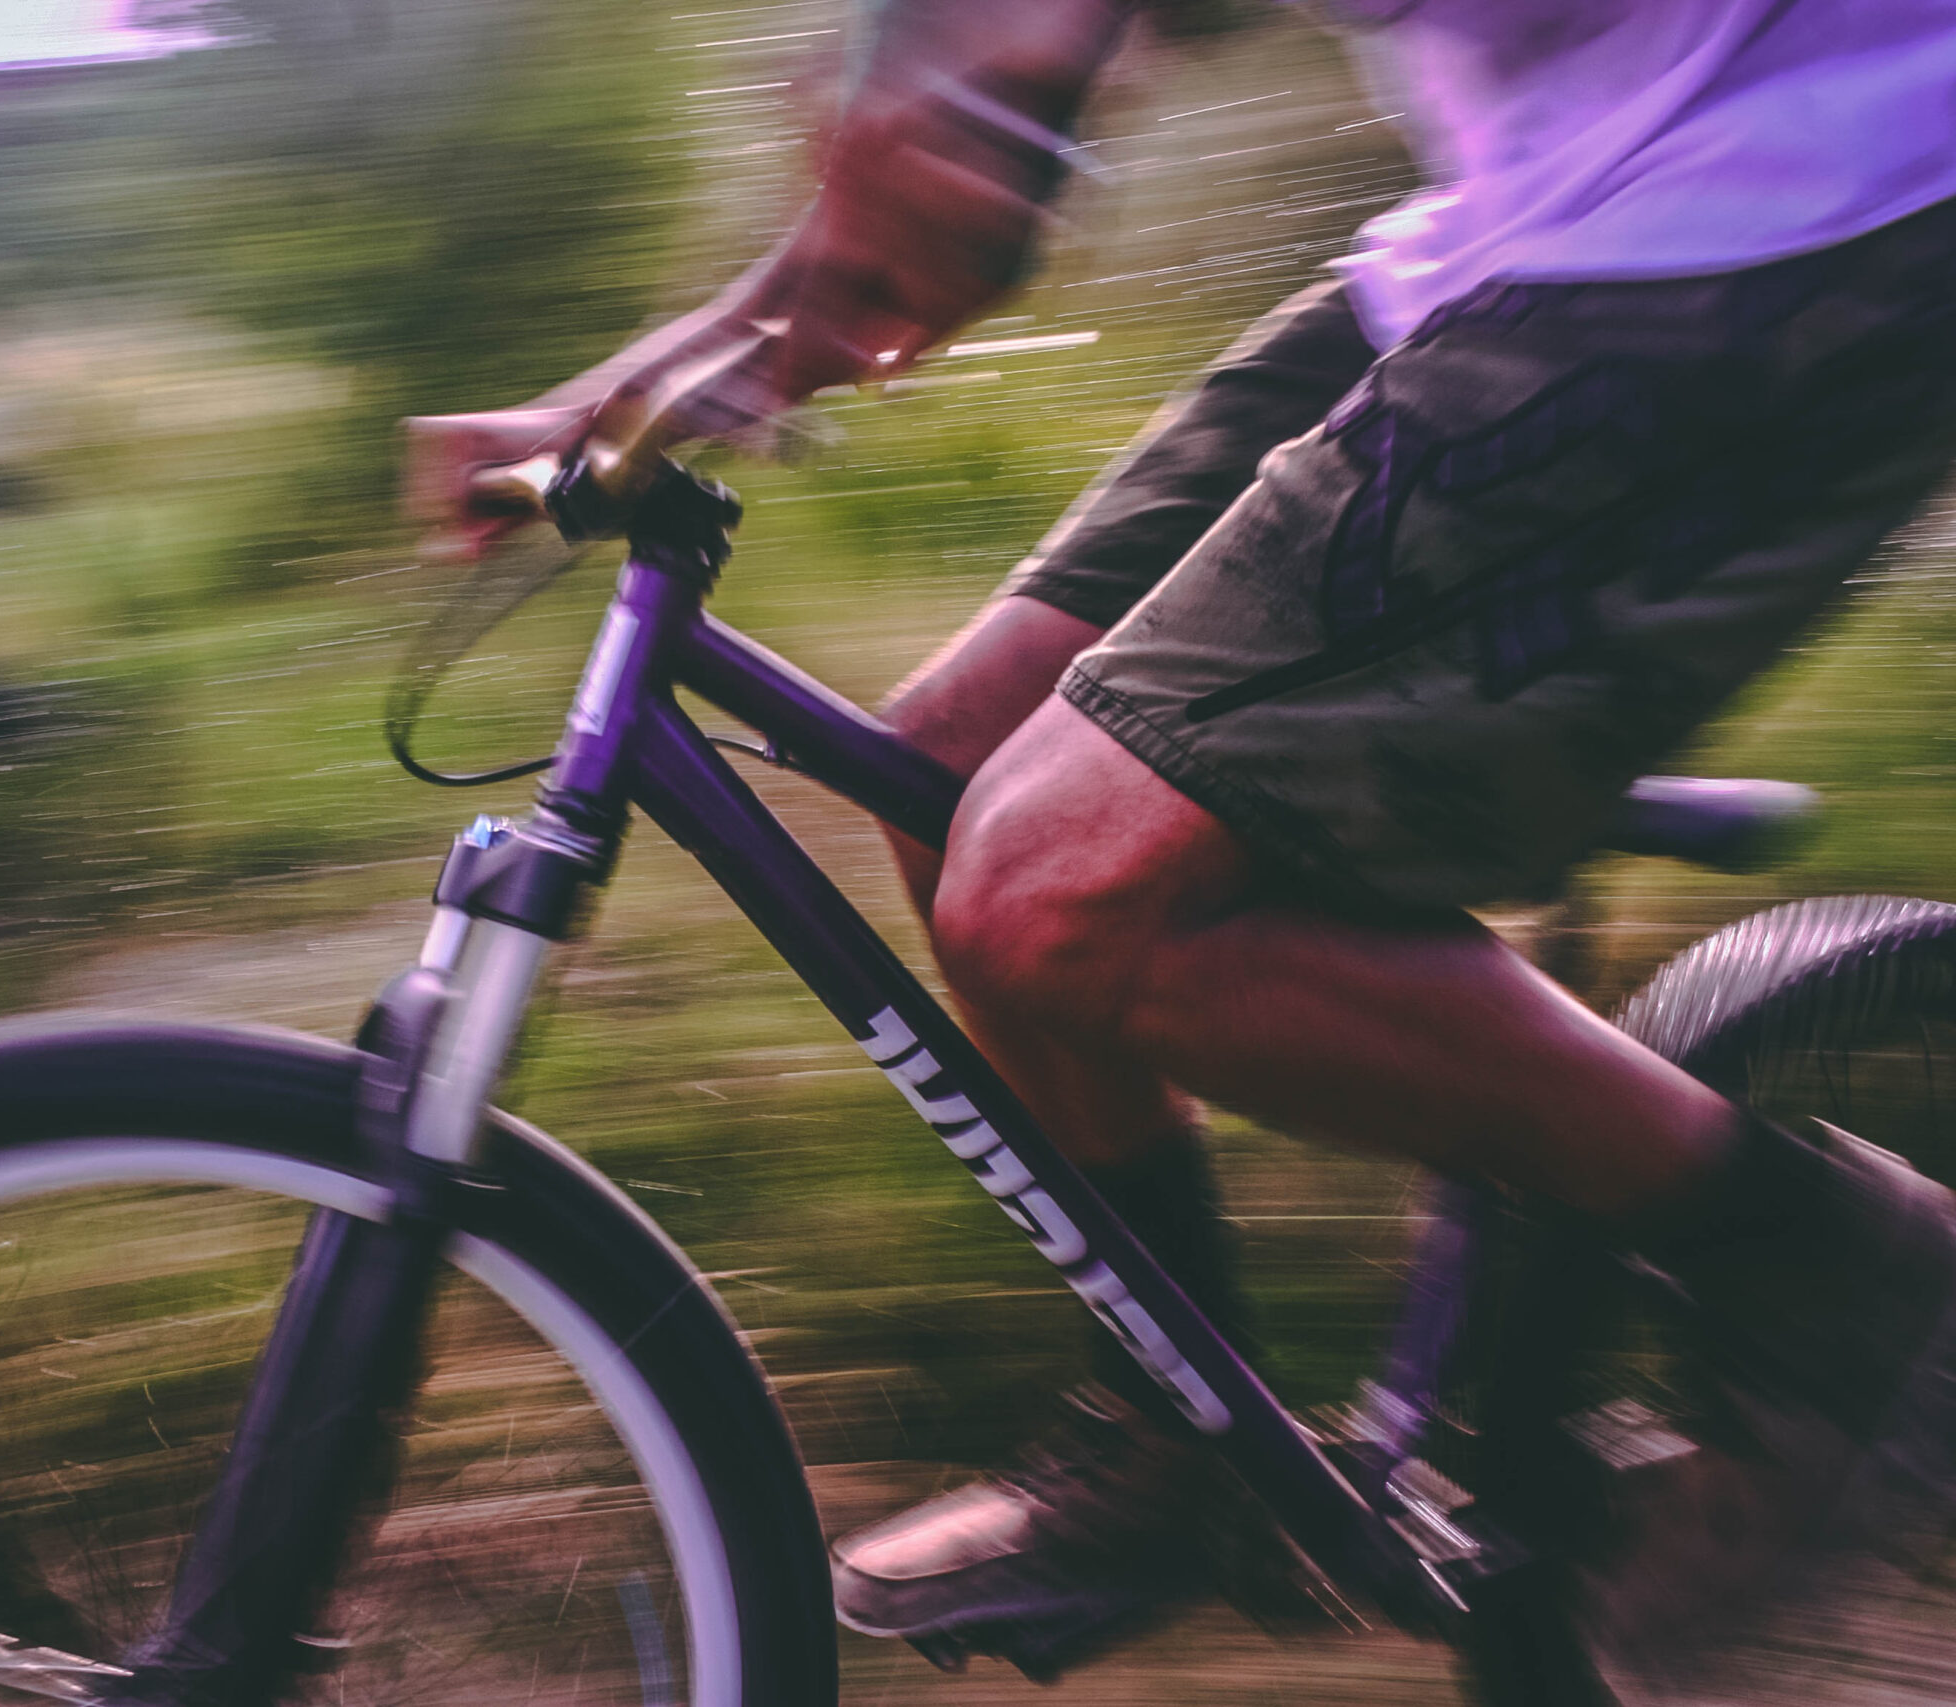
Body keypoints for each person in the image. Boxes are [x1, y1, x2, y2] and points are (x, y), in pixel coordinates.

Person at [409, 0, 1956, 1678]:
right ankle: (1188, 1434)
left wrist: (971, 84)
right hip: (1543, 215)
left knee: (1058, 892)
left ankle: (1864, 1288)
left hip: (1827, 190)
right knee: (944, 764)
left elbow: (1000, 72)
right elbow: (978, 113)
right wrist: (696, 360)